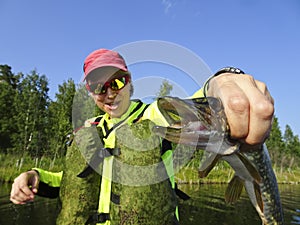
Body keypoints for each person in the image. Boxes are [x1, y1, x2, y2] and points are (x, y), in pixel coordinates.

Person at [10, 48, 274, 224]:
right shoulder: (86, 131)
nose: (109, 93)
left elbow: (198, 104)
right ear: (90, 91)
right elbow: (66, 182)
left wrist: (223, 79)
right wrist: (34, 176)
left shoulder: (156, 117)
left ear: (130, 82)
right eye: (98, 86)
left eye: (116, 82)